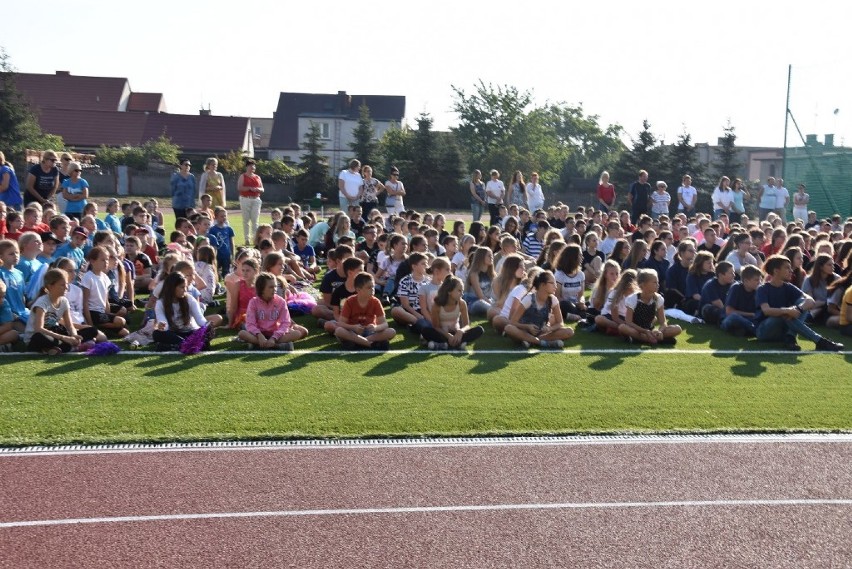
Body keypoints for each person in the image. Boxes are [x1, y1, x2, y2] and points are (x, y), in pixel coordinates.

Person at [754, 255, 844, 351]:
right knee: (784, 315)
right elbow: (766, 310)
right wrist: (787, 310)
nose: (791, 271)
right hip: (764, 331)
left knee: (802, 303)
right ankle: (819, 341)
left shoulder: (789, 287)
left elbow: (810, 300)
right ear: (776, 271)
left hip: (782, 332)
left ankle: (790, 337)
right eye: (787, 268)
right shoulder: (763, 289)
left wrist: (799, 309)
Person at [22, 268, 97, 355]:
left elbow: (69, 325)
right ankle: (68, 346)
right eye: (62, 285)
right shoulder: (42, 302)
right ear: (50, 286)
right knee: (39, 337)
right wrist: (63, 338)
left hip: (55, 334)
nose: (66, 287)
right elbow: (39, 329)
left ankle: (59, 348)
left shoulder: (64, 301)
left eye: (67, 284)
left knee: (92, 330)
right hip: (39, 336)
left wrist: (74, 335)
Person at [237, 272, 308, 351]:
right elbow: (250, 324)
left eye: (275, 286)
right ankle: (276, 346)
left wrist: (274, 337)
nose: (274, 289)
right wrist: (259, 335)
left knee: (297, 333)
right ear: (261, 288)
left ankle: (258, 344)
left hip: (275, 334)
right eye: (271, 287)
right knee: (242, 333)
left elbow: (285, 323)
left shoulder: (281, 302)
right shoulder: (253, 302)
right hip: (258, 334)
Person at [504, 270, 573, 349]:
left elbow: (560, 323)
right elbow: (513, 322)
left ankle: (530, 341)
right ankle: (543, 343)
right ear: (542, 285)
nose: (556, 286)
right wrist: (527, 327)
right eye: (552, 283)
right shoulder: (528, 299)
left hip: (541, 333)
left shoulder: (553, 299)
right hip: (524, 332)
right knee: (508, 328)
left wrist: (549, 328)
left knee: (569, 331)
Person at [420, 275, 485, 350]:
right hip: (443, 334)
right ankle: (456, 344)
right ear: (449, 291)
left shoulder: (462, 303)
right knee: (425, 331)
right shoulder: (437, 305)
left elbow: (467, 325)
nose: (462, 294)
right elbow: (436, 327)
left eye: (462, 291)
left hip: (456, 333)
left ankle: (443, 345)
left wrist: (461, 331)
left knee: (479, 330)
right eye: (459, 290)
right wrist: (448, 336)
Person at [335, 272, 396, 350]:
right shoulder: (349, 301)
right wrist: (353, 327)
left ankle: (359, 342)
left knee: (391, 331)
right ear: (358, 290)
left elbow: (385, 324)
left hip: (370, 333)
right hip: (353, 332)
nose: (372, 290)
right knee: (339, 331)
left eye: (373, 287)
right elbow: (341, 323)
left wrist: (375, 327)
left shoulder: (375, 301)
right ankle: (369, 344)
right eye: (369, 287)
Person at [619, 268, 682, 345]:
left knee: (677, 329)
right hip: (637, 330)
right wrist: (645, 331)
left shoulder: (658, 299)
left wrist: (660, 331)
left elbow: (663, 322)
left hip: (649, 330)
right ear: (643, 285)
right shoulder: (633, 299)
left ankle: (647, 339)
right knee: (622, 327)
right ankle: (652, 339)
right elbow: (628, 322)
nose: (658, 285)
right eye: (654, 282)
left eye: (657, 282)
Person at [153, 272, 210, 351]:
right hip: (174, 333)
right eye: (182, 287)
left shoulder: (189, 299)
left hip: (190, 332)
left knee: (206, 337)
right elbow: (162, 321)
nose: (185, 290)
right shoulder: (161, 302)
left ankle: (175, 346)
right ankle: (186, 344)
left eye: (186, 287)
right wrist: (162, 325)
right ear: (172, 288)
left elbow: (199, 318)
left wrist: (207, 326)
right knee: (157, 334)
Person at [237, 159, 264, 246]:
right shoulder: (243, 176)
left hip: (256, 199)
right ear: (247, 167)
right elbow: (240, 187)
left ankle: (255, 239)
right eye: (250, 165)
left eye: (254, 166)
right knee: (246, 220)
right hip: (245, 199)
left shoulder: (257, 177)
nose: (252, 167)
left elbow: (262, 189)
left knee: (255, 220)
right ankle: (247, 239)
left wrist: (257, 189)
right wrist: (249, 188)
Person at [699, 261, 735, 325]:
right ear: (721, 275)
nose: (734, 275)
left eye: (733, 272)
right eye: (731, 273)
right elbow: (720, 305)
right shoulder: (710, 285)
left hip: (727, 311)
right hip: (715, 310)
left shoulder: (734, 285)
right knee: (709, 309)